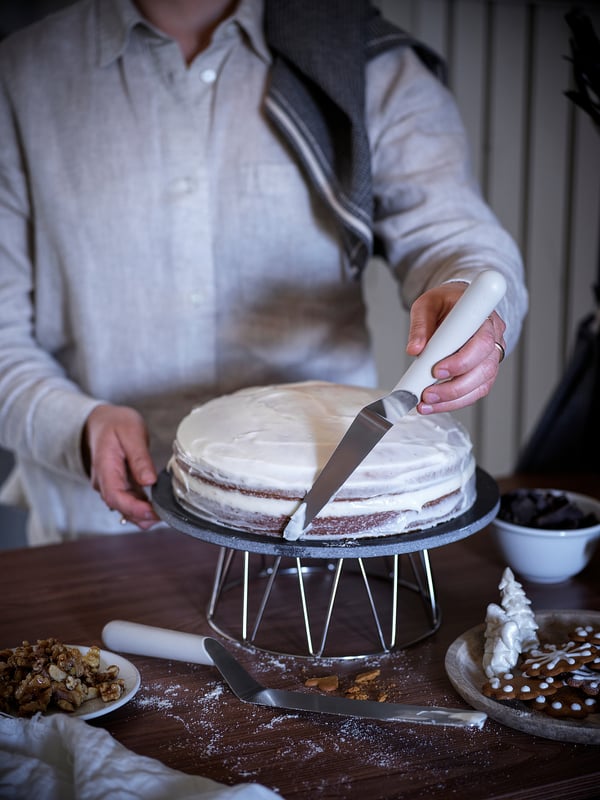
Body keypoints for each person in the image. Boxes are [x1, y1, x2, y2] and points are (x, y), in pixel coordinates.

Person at [0, 0, 528, 545]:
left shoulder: (364, 61)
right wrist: (74, 426)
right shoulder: (23, 74)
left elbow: (456, 235)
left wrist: (469, 294)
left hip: (330, 528)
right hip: (100, 532)